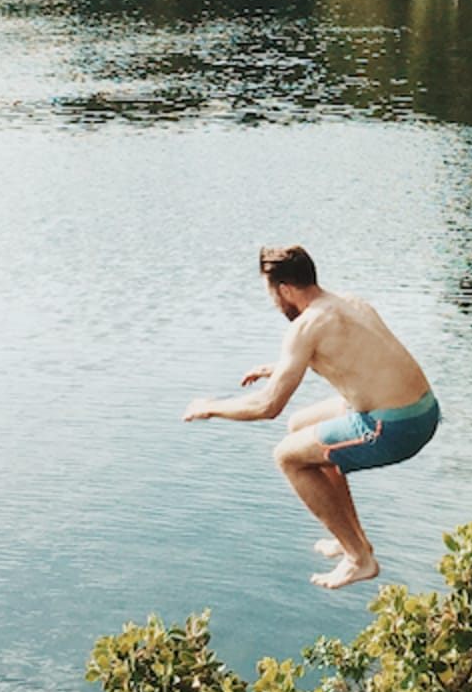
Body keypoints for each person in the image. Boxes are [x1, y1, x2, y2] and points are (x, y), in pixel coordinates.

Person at [183, 246, 441, 589]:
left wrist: (211, 407)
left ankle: (359, 560)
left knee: (288, 457)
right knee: (300, 426)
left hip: (395, 426)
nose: (274, 303)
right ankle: (353, 539)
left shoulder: (306, 327)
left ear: (285, 289)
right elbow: (353, 357)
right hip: (423, 409)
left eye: (272, 294)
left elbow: (267, 406)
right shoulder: (349, 303)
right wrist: (279, 368)